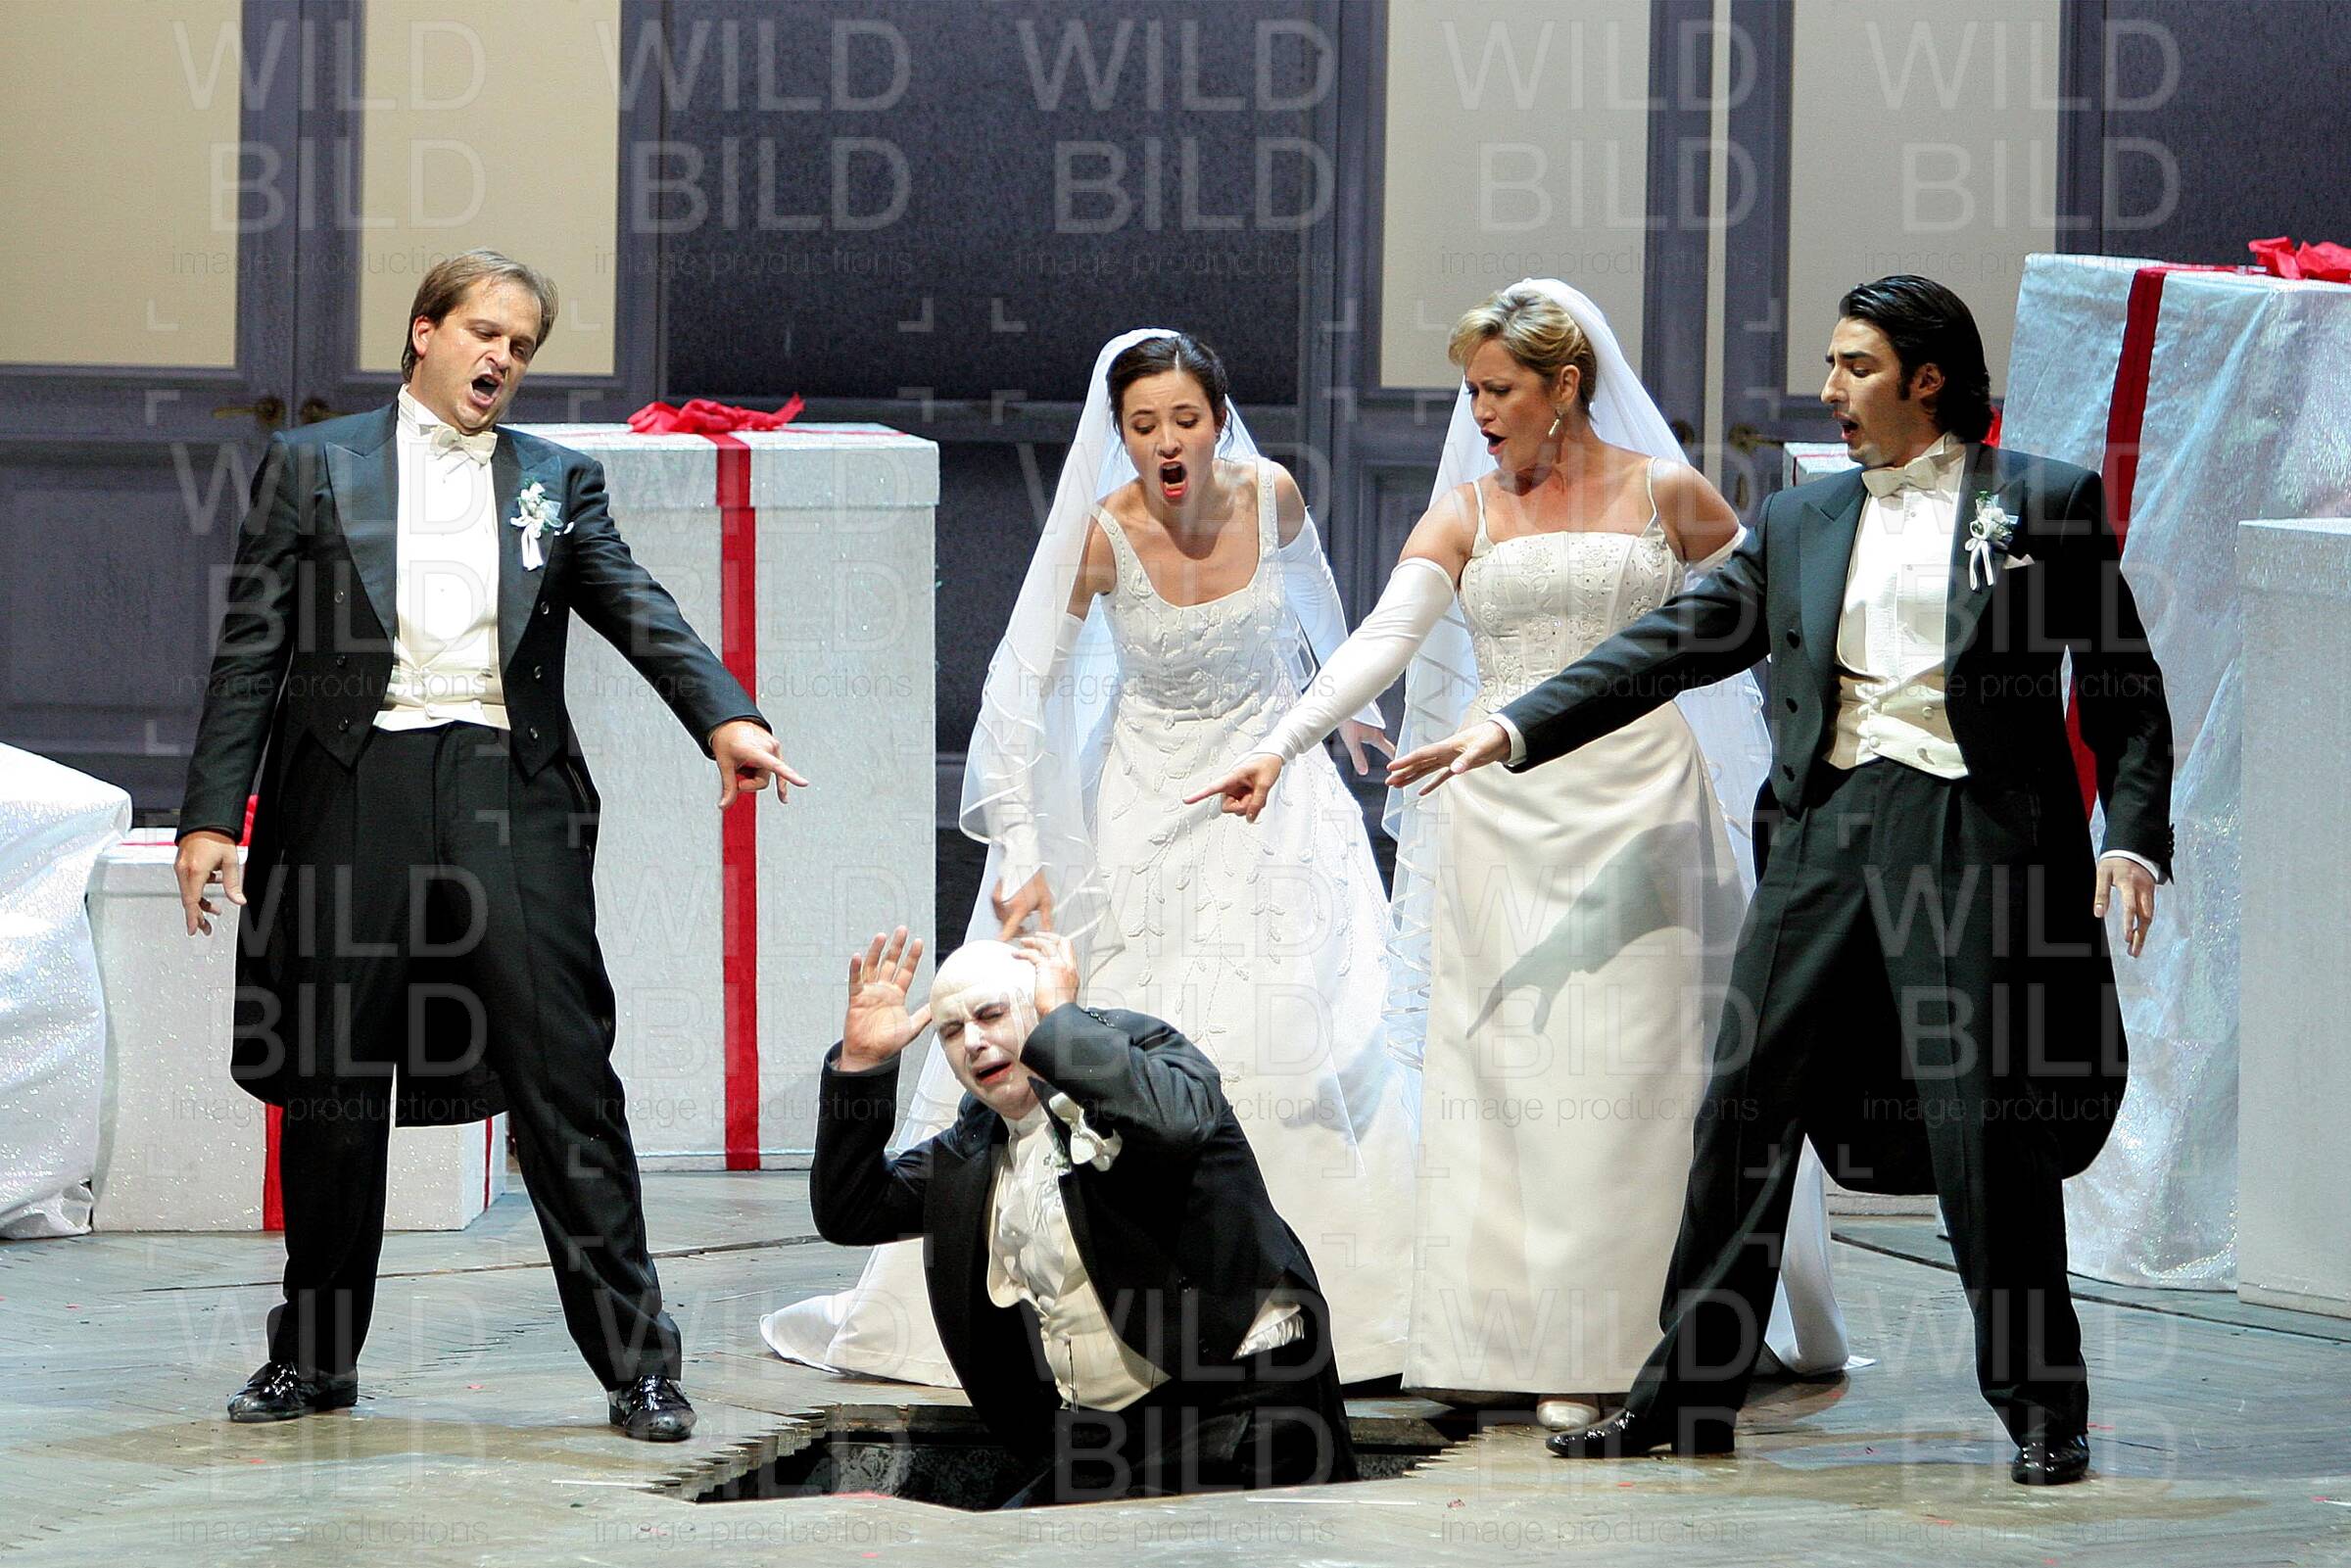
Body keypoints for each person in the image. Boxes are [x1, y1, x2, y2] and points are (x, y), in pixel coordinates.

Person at [1391, 275, 2172, 1487]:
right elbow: (1675, 638)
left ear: (1926, 379)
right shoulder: (1806, 516)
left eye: (1856, 366)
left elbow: (2123, 687)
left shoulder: (2041, 502)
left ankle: (2042, 1406)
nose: (1829, 390)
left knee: (1985, 1126)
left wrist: (2130, 836)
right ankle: (1687, 1394)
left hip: (1970, 835)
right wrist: (1514, 724)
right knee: (1745, 1105)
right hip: (1825, 830)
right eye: (1830, 365)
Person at [1192, 280, 1847, 1431]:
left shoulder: (1666, 493)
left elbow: (1775, 609)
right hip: (1500, 815)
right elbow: (1384, 638)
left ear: (1566, 385)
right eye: (1472, 392)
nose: (1480, 411)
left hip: (1646, 811)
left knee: (1638, 1077)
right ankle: (1525, 1333)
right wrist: (1281, 745)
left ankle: (1639, 1338)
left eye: (1499, 389)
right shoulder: (1466, 512)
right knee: (1522, 1080)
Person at [175, 249, 803, 1440]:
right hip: (351, 788)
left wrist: (726, 715)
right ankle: (314, 1358)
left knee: (567, 1078)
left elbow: (638, 605)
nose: (503, 358)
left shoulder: (557, 479)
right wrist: (212, 813)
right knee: (331, 1087)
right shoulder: (314, 464)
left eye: (521, 345)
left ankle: (639, 1365)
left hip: (506, 789)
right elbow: (252, 647)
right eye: (484, 332)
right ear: (425, 332)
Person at [766, 331, 1416, 1384]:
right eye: (1143, 424)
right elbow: (1018, 693)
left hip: (1277, 796)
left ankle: (1332, 1298)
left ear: (1219, 421)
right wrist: (1023, 848)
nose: (1167, 442)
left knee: (1302, 1035)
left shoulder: (1274, 495)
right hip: (1145, 806)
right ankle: (1126, 1296)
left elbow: (1314, 598)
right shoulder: (1103, 538)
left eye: (1185, 419)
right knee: (1135, 1035)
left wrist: (1349, 712)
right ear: (1120, 434)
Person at [813, 927, 1358, 1505]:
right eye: (951, 1031)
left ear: (1042, 1009)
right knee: (1005, 1541)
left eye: (991, 1015)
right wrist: (862, 1066)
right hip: (1103, 1439)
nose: (972, 1041)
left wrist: (1063, 1024)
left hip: (1240, 1412)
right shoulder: (976, 1145)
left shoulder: (1142, 1055)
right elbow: (852, 1211)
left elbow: (1176, 1123)